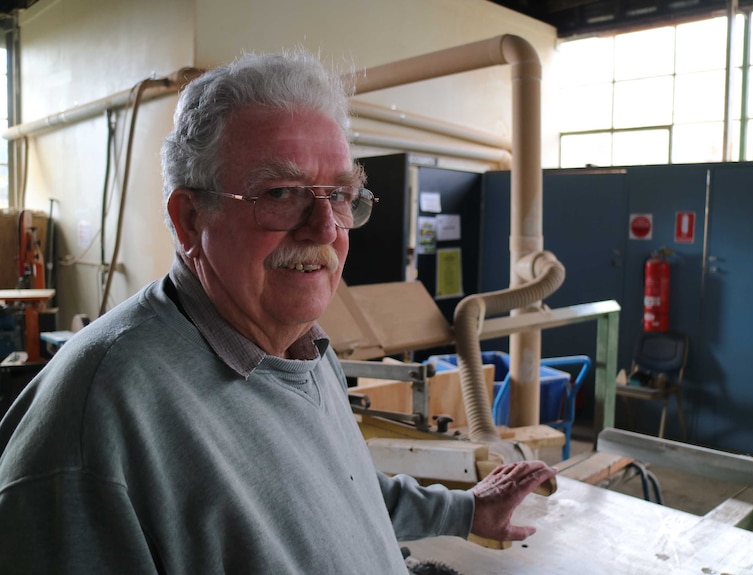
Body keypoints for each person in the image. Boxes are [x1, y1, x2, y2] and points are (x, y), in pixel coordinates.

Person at [0, 50, 557, 573]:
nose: (324, 229)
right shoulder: (98, 419)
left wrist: (464, 512)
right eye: (281, 192)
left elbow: (336, 487)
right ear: (191, 219)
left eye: (339, 195)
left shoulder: (305, 348)